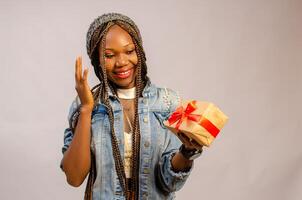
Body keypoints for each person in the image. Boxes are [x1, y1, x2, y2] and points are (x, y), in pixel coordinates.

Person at [60, 13, 203, 200]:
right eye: (109, 55)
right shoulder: (85, 105)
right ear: (97, 61)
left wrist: (186, 151)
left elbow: (170, 182)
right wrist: (87, 109)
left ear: (140, 52)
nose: (121, 62)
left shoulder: (167, 102)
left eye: (129, 51)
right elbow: (74, 177)